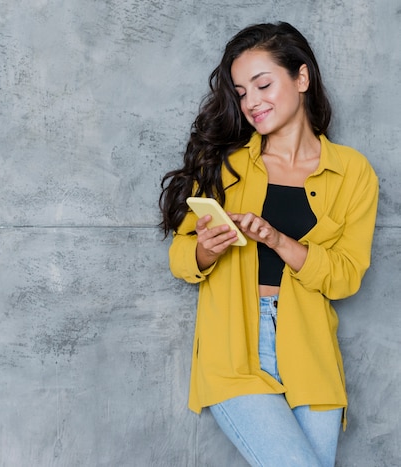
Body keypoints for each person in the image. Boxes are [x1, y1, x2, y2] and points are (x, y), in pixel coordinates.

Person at [159, 22, 378, 467]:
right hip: (235, 351)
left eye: (262, 84)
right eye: (241, 92)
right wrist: (207, 248)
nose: (251, 102)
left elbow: (345, 277)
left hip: (312, 355)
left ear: (301, 78)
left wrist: (278, 240)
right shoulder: (227, 165)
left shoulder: (353, 173)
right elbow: (181, 259)